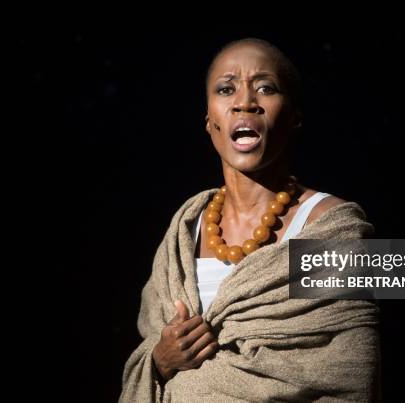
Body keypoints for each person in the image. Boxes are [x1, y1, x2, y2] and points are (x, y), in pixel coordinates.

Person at [119, 38, 380, 402]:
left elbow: (351, 373)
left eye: (265, 88)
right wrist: (161, 360)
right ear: (210, 121)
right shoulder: (185, 228)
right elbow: (150, 350)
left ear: (293, 117)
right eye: (226, 89)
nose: (244, 102)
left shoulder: (329, 227)